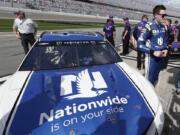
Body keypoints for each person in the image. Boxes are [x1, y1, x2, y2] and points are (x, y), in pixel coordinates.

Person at [137, 5, 168, 86]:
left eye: (165, 15)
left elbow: (165, 41)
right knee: (148, 82)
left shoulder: (164, 27)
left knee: (156, 80)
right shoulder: (149, 26)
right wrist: (152, 52)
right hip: (151, 59)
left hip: (160, 58)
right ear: (155, 15)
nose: (165, 17)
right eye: (163, 15)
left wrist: (166, 48)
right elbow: (139, 44)